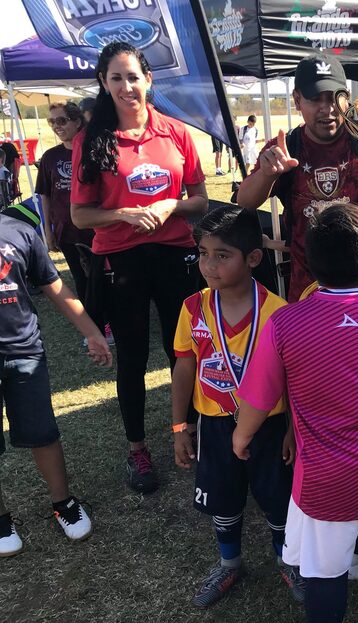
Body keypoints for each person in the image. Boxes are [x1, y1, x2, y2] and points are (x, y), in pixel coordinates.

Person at [233, 203, 358, 623]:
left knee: (325, 572)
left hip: (324, 479)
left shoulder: (285, 323)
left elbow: (260, 398)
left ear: (309, 261)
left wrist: (240, 437)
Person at [70, 42, 208, 493]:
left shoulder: (177, 133)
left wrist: (171, 204)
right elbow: (80, 216)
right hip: (120, 259)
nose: (127, 87)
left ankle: (187, 433)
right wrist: (125, 215)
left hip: (174, 253)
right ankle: (137, 451)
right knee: (132, 356)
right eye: (116, 78)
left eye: (133, 76)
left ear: (149, 79)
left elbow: (200, 201)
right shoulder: (90, 142)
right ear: (104, 84)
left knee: (182, 350)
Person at [236, 52, 358, 302]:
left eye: (334, 98)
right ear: (297, 100)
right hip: (311, 294)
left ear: (346, 99)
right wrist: (267, 175)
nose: (327, 109)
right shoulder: (286, 147)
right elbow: (245, 201)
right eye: (315, 99)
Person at [171, 207, 292, 607]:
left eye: (223, 255)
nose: (209, 265)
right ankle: (229, 563)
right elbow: (184, 367)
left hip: (270, 426)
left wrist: (292, 427)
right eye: (203, 253)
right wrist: (179, 427)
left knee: (277, 498)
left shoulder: (279, 312)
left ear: (253, 258)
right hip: (215, 423)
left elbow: (292, 378)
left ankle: (287, 562)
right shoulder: (193, 308)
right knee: (223, 497)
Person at [0, 211, 112, 557]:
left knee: (43, 432)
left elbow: (55, 287)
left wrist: (93, 333)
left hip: (23, 351)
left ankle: (63, 502)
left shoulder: (18, 230)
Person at [35, 103, 96, 309]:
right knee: (80, 278)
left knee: (100, 278)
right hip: (66, 231)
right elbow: (45, 195)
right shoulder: (50, 157)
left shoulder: (92, 151)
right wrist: (48, 230)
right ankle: (92, 321)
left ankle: (106, 320)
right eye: (51, 121)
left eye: (61, 120)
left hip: (95, 229)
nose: (56, 126)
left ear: (78, 122)